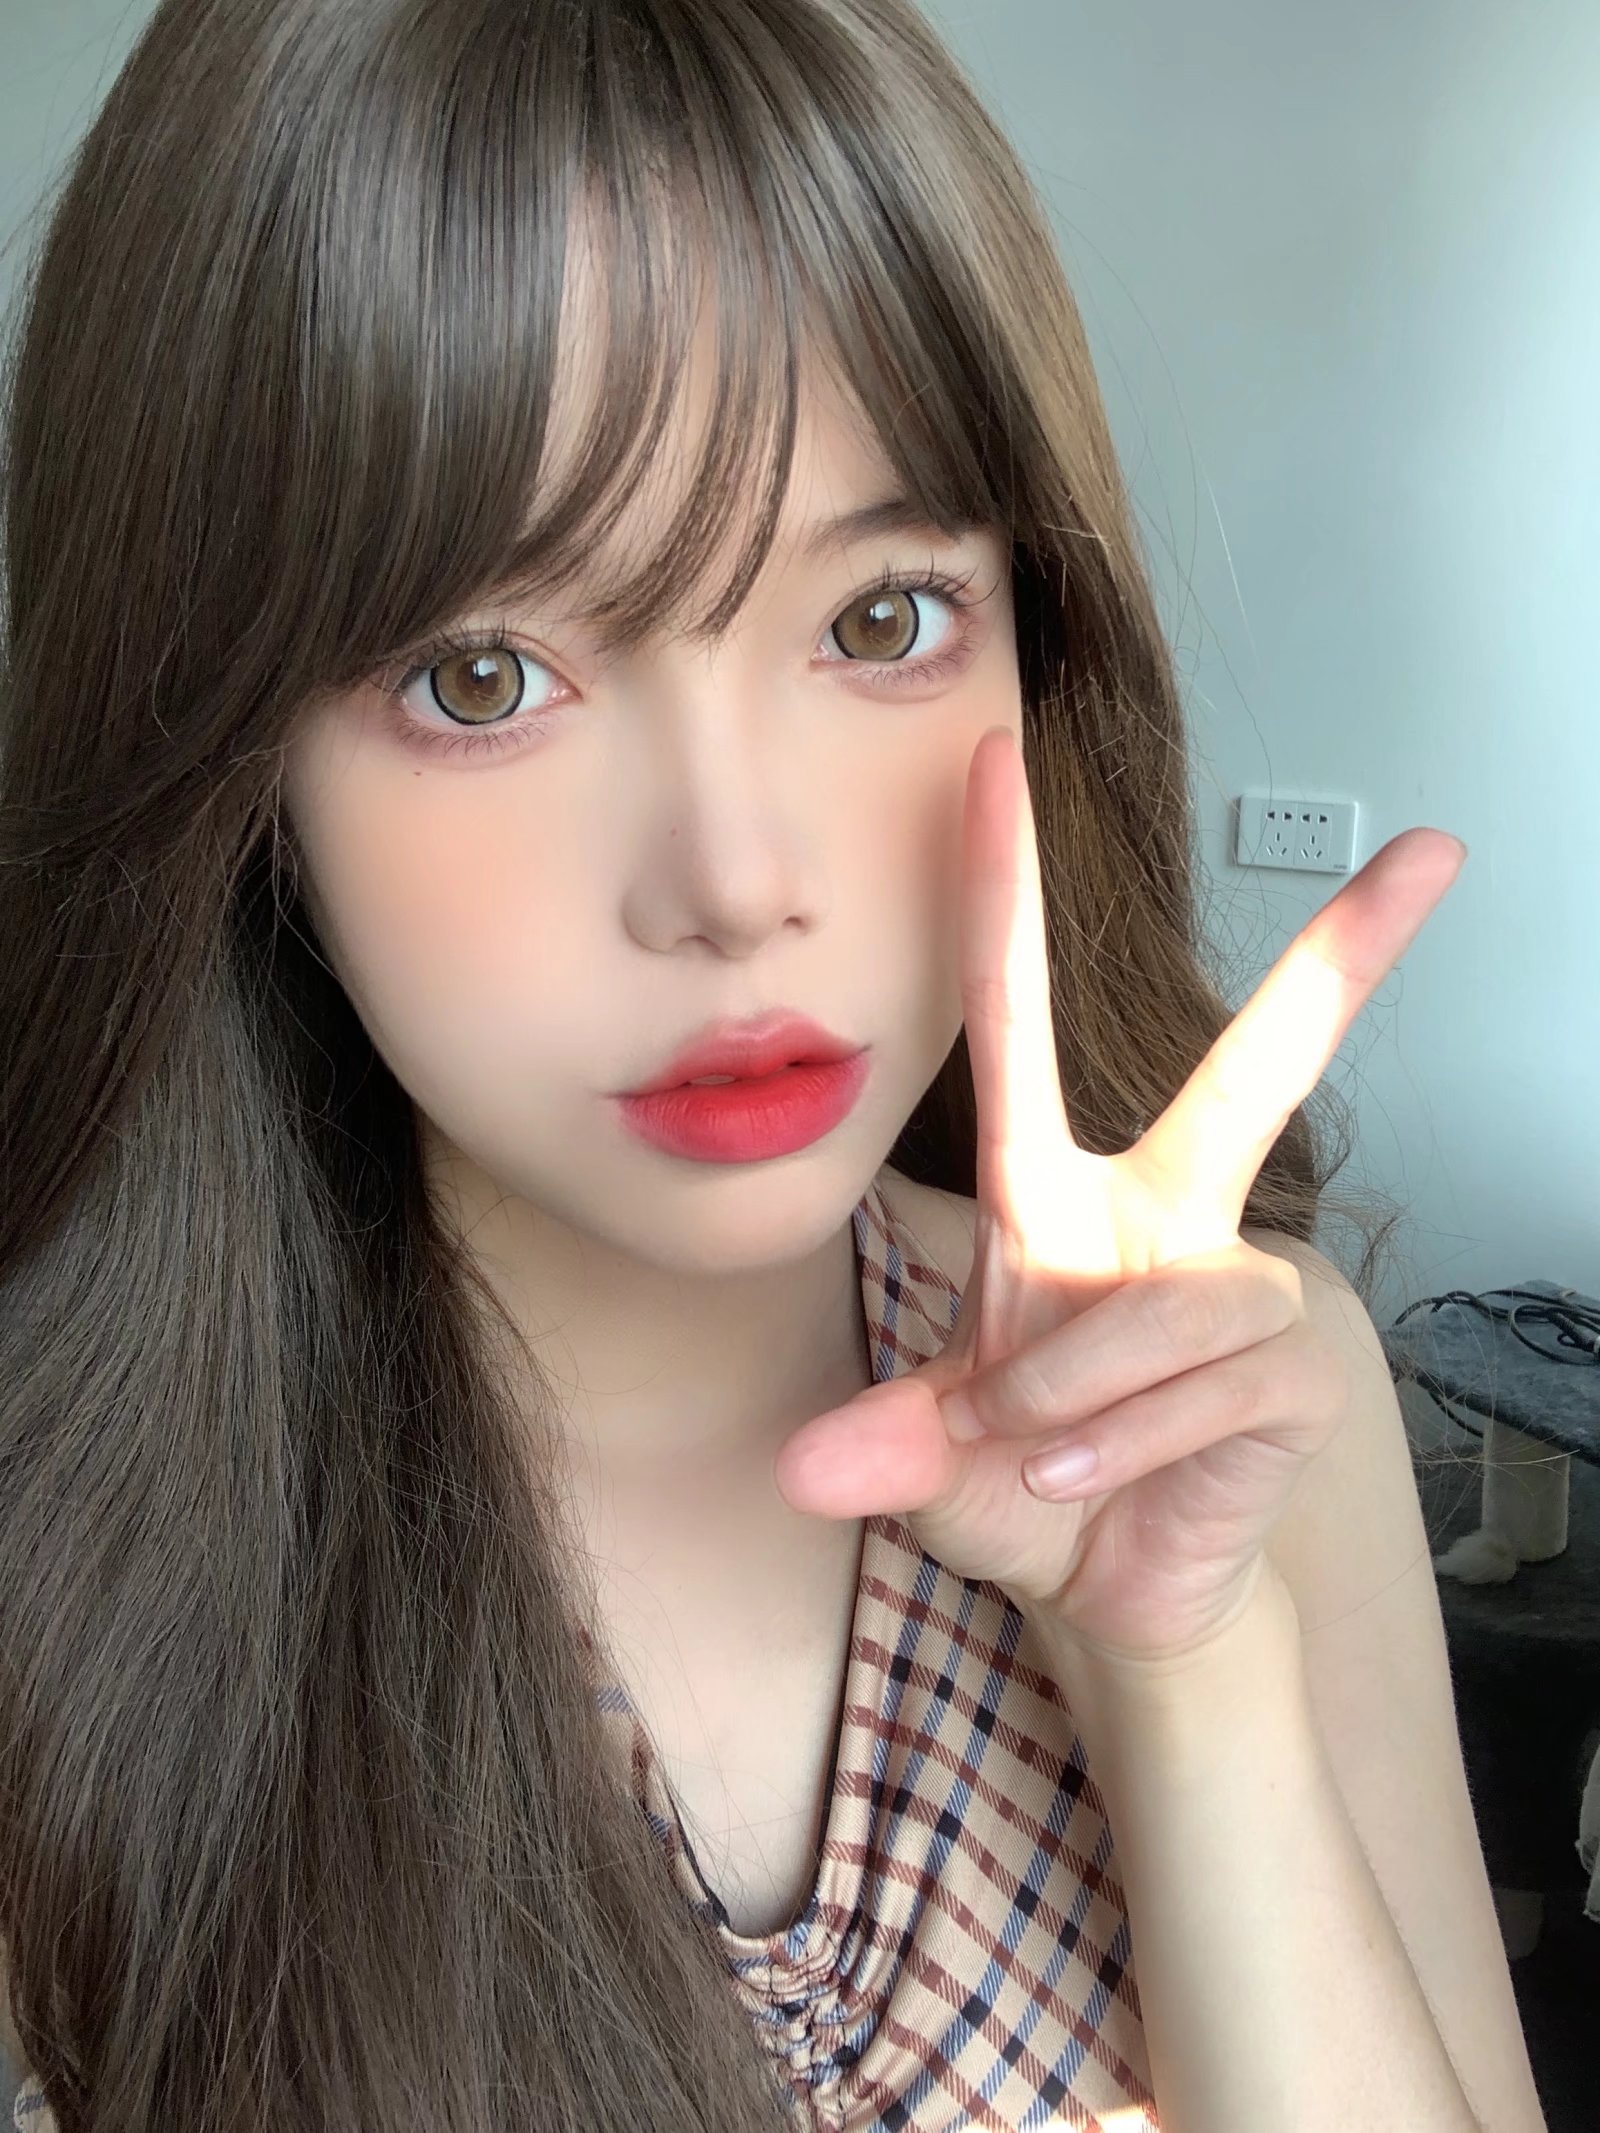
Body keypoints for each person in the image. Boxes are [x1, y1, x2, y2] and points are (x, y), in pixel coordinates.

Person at [0, 2, 1547, 2129]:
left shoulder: (1244, 1403)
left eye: (879, 621)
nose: (733, 882)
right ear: (228, 754)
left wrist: (1184, 1676)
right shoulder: (64, 1567)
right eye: (483, 674)